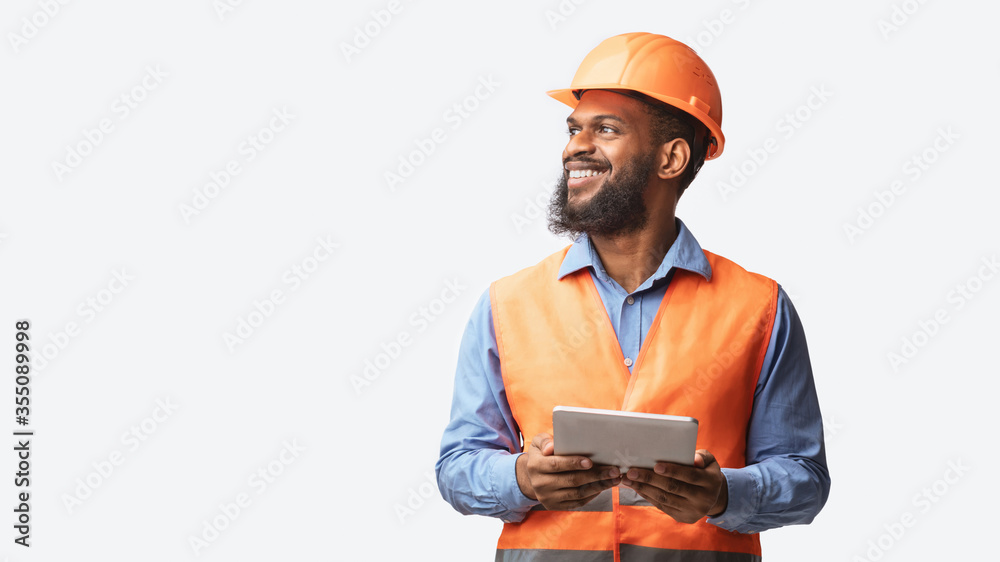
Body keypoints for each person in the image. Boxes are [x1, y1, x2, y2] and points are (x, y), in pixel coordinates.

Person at [436, 32, 830, 561]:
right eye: (575, 128)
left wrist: (722, 495)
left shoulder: (759, 308)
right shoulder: (507, 305)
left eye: (606, 129)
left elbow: (804, 479)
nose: (575, 145)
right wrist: (520, 478)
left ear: (671, 158)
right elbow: (457, 465)